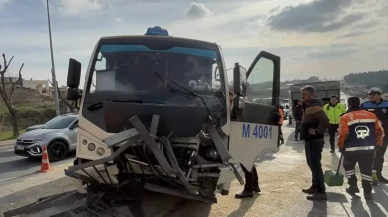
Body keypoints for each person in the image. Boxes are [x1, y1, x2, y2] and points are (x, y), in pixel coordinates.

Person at [337, 97, 384, 200]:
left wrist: (340, 146)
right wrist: (378, 144)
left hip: (350, 150)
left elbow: (342, 134)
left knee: (349, 168)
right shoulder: (372, 115)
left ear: (349, 105)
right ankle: (367, 192)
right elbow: (380, 131)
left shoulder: (345, 117)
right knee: (366, 169)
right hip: (368, 149)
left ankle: (353, 186)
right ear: (359, 104)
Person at [229, 91, 261, 198]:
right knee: (250, 163)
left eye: (230, 100)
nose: (229, 102)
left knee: (246, 164)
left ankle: (248, 190)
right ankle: (255, 186)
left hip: (245, 139)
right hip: (247, 138)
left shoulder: (239, 108)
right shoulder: (243, 106)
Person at [300, 86, 330, 201]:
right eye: (302, 94)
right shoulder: (309, 106)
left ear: (311, 95)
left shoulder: (314, 106)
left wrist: (317, 131)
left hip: (315, 141)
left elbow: (325, 121)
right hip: (310, 140)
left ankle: (321, 192)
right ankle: (314, 187)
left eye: (305, 94)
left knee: (316, 166)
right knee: (312, 164)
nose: (302, 96)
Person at [361, 87, 388, 183]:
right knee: (368, 156)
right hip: (368, 135)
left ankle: (378, 175)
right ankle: (367, 176)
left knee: (379, 156)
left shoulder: (386, 104)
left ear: (379, 95)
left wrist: (382, 122)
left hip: (383, 135)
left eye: (373, 94)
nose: (371, 96)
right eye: (370, 94)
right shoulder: (364, 105)